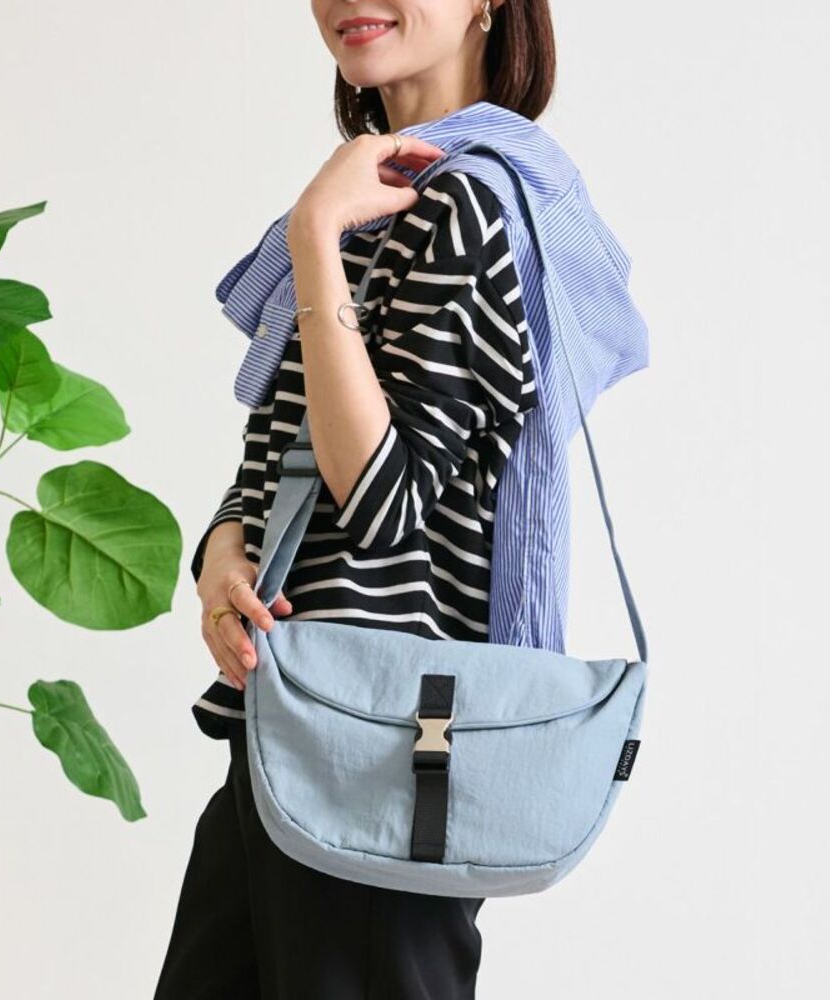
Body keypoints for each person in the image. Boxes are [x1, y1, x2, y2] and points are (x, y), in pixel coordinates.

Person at [155, 2, 642, 996]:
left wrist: (312, 233)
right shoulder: (380, 196)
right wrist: (223, 549)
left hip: (377, 751)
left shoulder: (462, 204)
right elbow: (292, 454)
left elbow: (382, 502)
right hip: (299, 727)